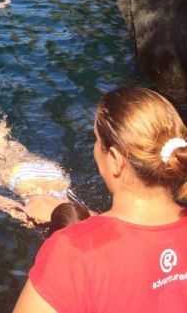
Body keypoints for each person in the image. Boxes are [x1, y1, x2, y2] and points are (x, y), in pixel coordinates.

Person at [13, 86, 187, 313]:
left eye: (96, 140)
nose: (95, 149)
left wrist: (79, 235)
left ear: (115, 159)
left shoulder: (71, 252)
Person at [0, 118, 89, 228]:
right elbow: (1, 201)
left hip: (53, 175)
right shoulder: (38, 218)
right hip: (24, 180)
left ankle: (1, 129)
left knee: (13, 151)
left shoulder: (83, 213)